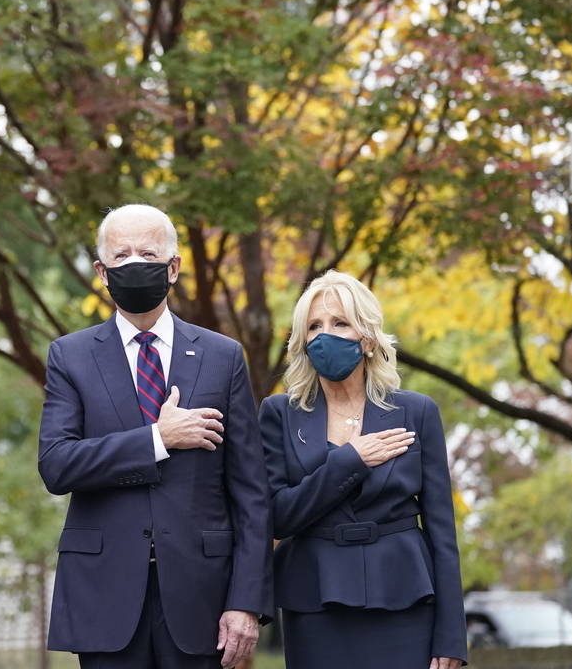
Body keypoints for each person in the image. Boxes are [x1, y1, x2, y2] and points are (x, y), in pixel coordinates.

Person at [39, 204, 272, 669]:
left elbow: (251, 493)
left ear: (174, 267)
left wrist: (246, 602)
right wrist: (157, 439)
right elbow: (57, 464)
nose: (134, 263)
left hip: (201, 596)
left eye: (147, 251)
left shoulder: (223, 356)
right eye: (120, 255)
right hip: (104, 593)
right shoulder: (70, 356)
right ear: (102, 272)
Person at [259, 270, 466, 669]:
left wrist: (452, 637)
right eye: (314, 326)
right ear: (302, 341)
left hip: (404, 598)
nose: (325, 335)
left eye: (340, 323)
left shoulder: (417, 411)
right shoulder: (279, 413)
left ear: (368, 339)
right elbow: (276, 518)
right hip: (314, 600)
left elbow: (442, 531)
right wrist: (349, 461)